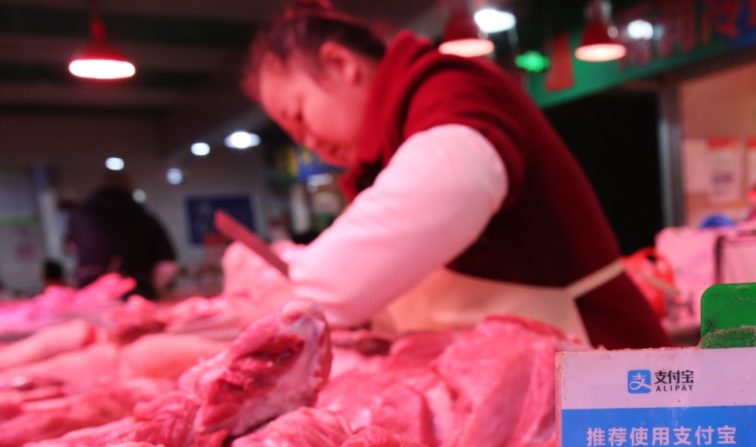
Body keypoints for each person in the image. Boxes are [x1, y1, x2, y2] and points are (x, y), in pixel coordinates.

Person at [240, 1, 670, 348]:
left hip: (605, 378)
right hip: (521, 395)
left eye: (299, 116)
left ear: (340, 64)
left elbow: (456, 178)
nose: (307, 142)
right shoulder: (388, 149)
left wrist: (294, 306)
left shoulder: (446, 85)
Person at [66, 174, 177, 299]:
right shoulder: (144, 217)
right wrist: (155, 289)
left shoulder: (79, 215)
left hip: (89, 292)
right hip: (136, 293)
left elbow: (71, 248)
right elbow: (167, 263)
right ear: (129, 189)